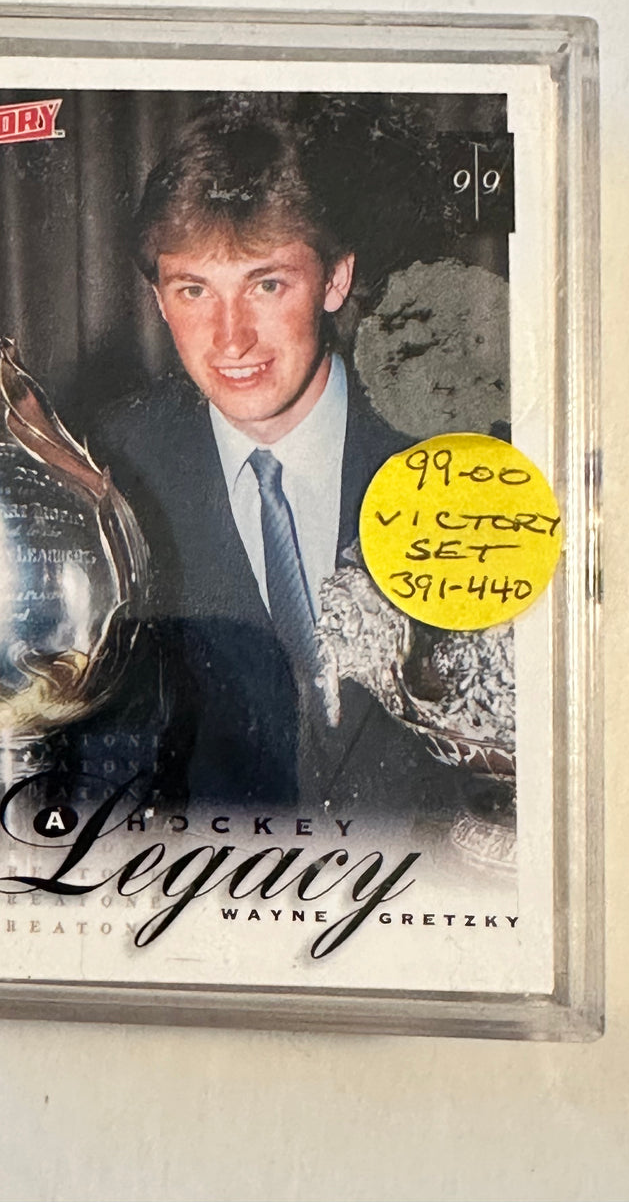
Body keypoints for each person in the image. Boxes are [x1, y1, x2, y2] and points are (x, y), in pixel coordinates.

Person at [96, 109, 456, 816]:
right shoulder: (108, 470)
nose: (231, 338)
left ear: (335, 279)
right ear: (158, 300)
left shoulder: (445, 449)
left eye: (266, 285)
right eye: (194, 289)